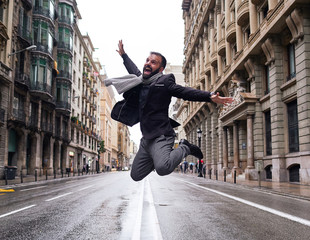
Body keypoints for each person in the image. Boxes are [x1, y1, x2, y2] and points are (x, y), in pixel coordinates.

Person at [104, 40, 233, 182]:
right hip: (146, 139)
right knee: (136, 175)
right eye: (147, 60)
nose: (148, 63)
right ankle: (157, 156)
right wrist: (124, 56)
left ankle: (185, 147)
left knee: (163, 168)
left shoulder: (165, 81)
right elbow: (133, 70)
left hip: (162, 135)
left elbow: (184, 92)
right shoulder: (141, 81)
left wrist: (209, 96)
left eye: (153, 62)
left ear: (160, 69)